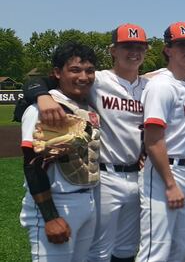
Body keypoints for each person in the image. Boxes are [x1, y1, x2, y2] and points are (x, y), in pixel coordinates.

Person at [22, 25, 150, 262]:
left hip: (110, 185)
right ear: (113, 50)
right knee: (97, 252)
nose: (83, 76)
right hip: (102, 178)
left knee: (123, 249)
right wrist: (41, 95)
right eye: (126, 46)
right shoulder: (97, 81)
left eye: (139, 46)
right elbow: (32, 163)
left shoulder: (151, 85)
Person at [20, 42, 101, 262]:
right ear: (57, 73)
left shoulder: (88, 107)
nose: (83, 77)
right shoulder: (43, 108)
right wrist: (50, 217)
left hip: (87, 201)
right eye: (75, 70)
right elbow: (31, 164)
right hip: (56, 202)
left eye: (89, 70)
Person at [137, 22, 185, 262]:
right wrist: (170, 184)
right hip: (164, 172)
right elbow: (153, 140)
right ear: (168, 49)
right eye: (181, 44)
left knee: (183, 246)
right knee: (156, 249)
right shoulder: (161, 86)